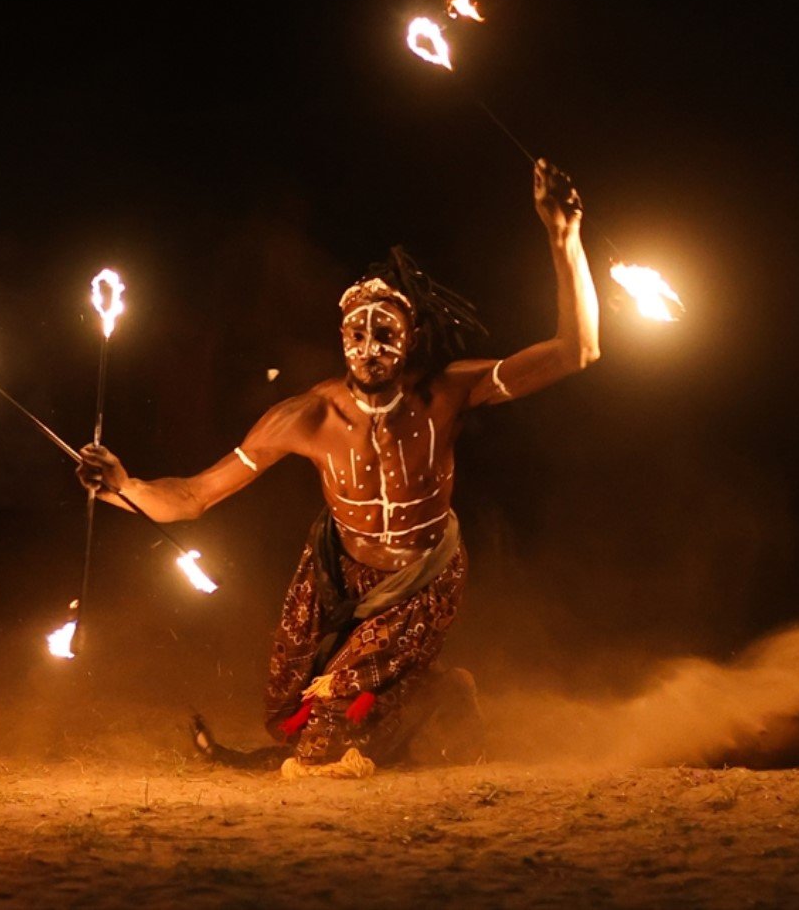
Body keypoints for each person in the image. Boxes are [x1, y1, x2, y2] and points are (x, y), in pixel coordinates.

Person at [77, 158, 599, 778]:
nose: (370, 347)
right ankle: (435, 691)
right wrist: (122, 487)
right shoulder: (306, 417)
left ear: (410, 343)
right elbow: (193, 496)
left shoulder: (445, 393)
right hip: (339, 573)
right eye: (357, 333)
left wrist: (563, 238)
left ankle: (425, 695)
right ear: (341, 339)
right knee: (285, 711)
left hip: (424, 577)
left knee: (327, 738)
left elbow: (577, 350)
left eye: (386, 334)